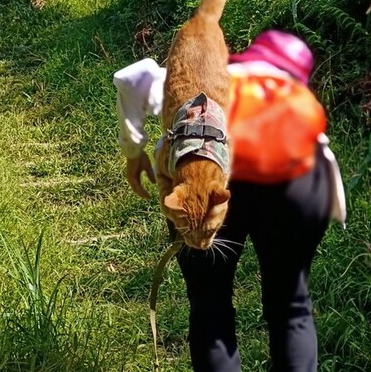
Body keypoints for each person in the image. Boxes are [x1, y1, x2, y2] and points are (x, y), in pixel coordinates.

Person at [113, 31, 346, 372]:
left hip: (205, 181)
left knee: (210, 306)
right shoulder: (288, 91)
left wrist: (134, 153)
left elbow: (131, 77)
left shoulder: (203, 83)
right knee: (291, 306)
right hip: (296, 181)